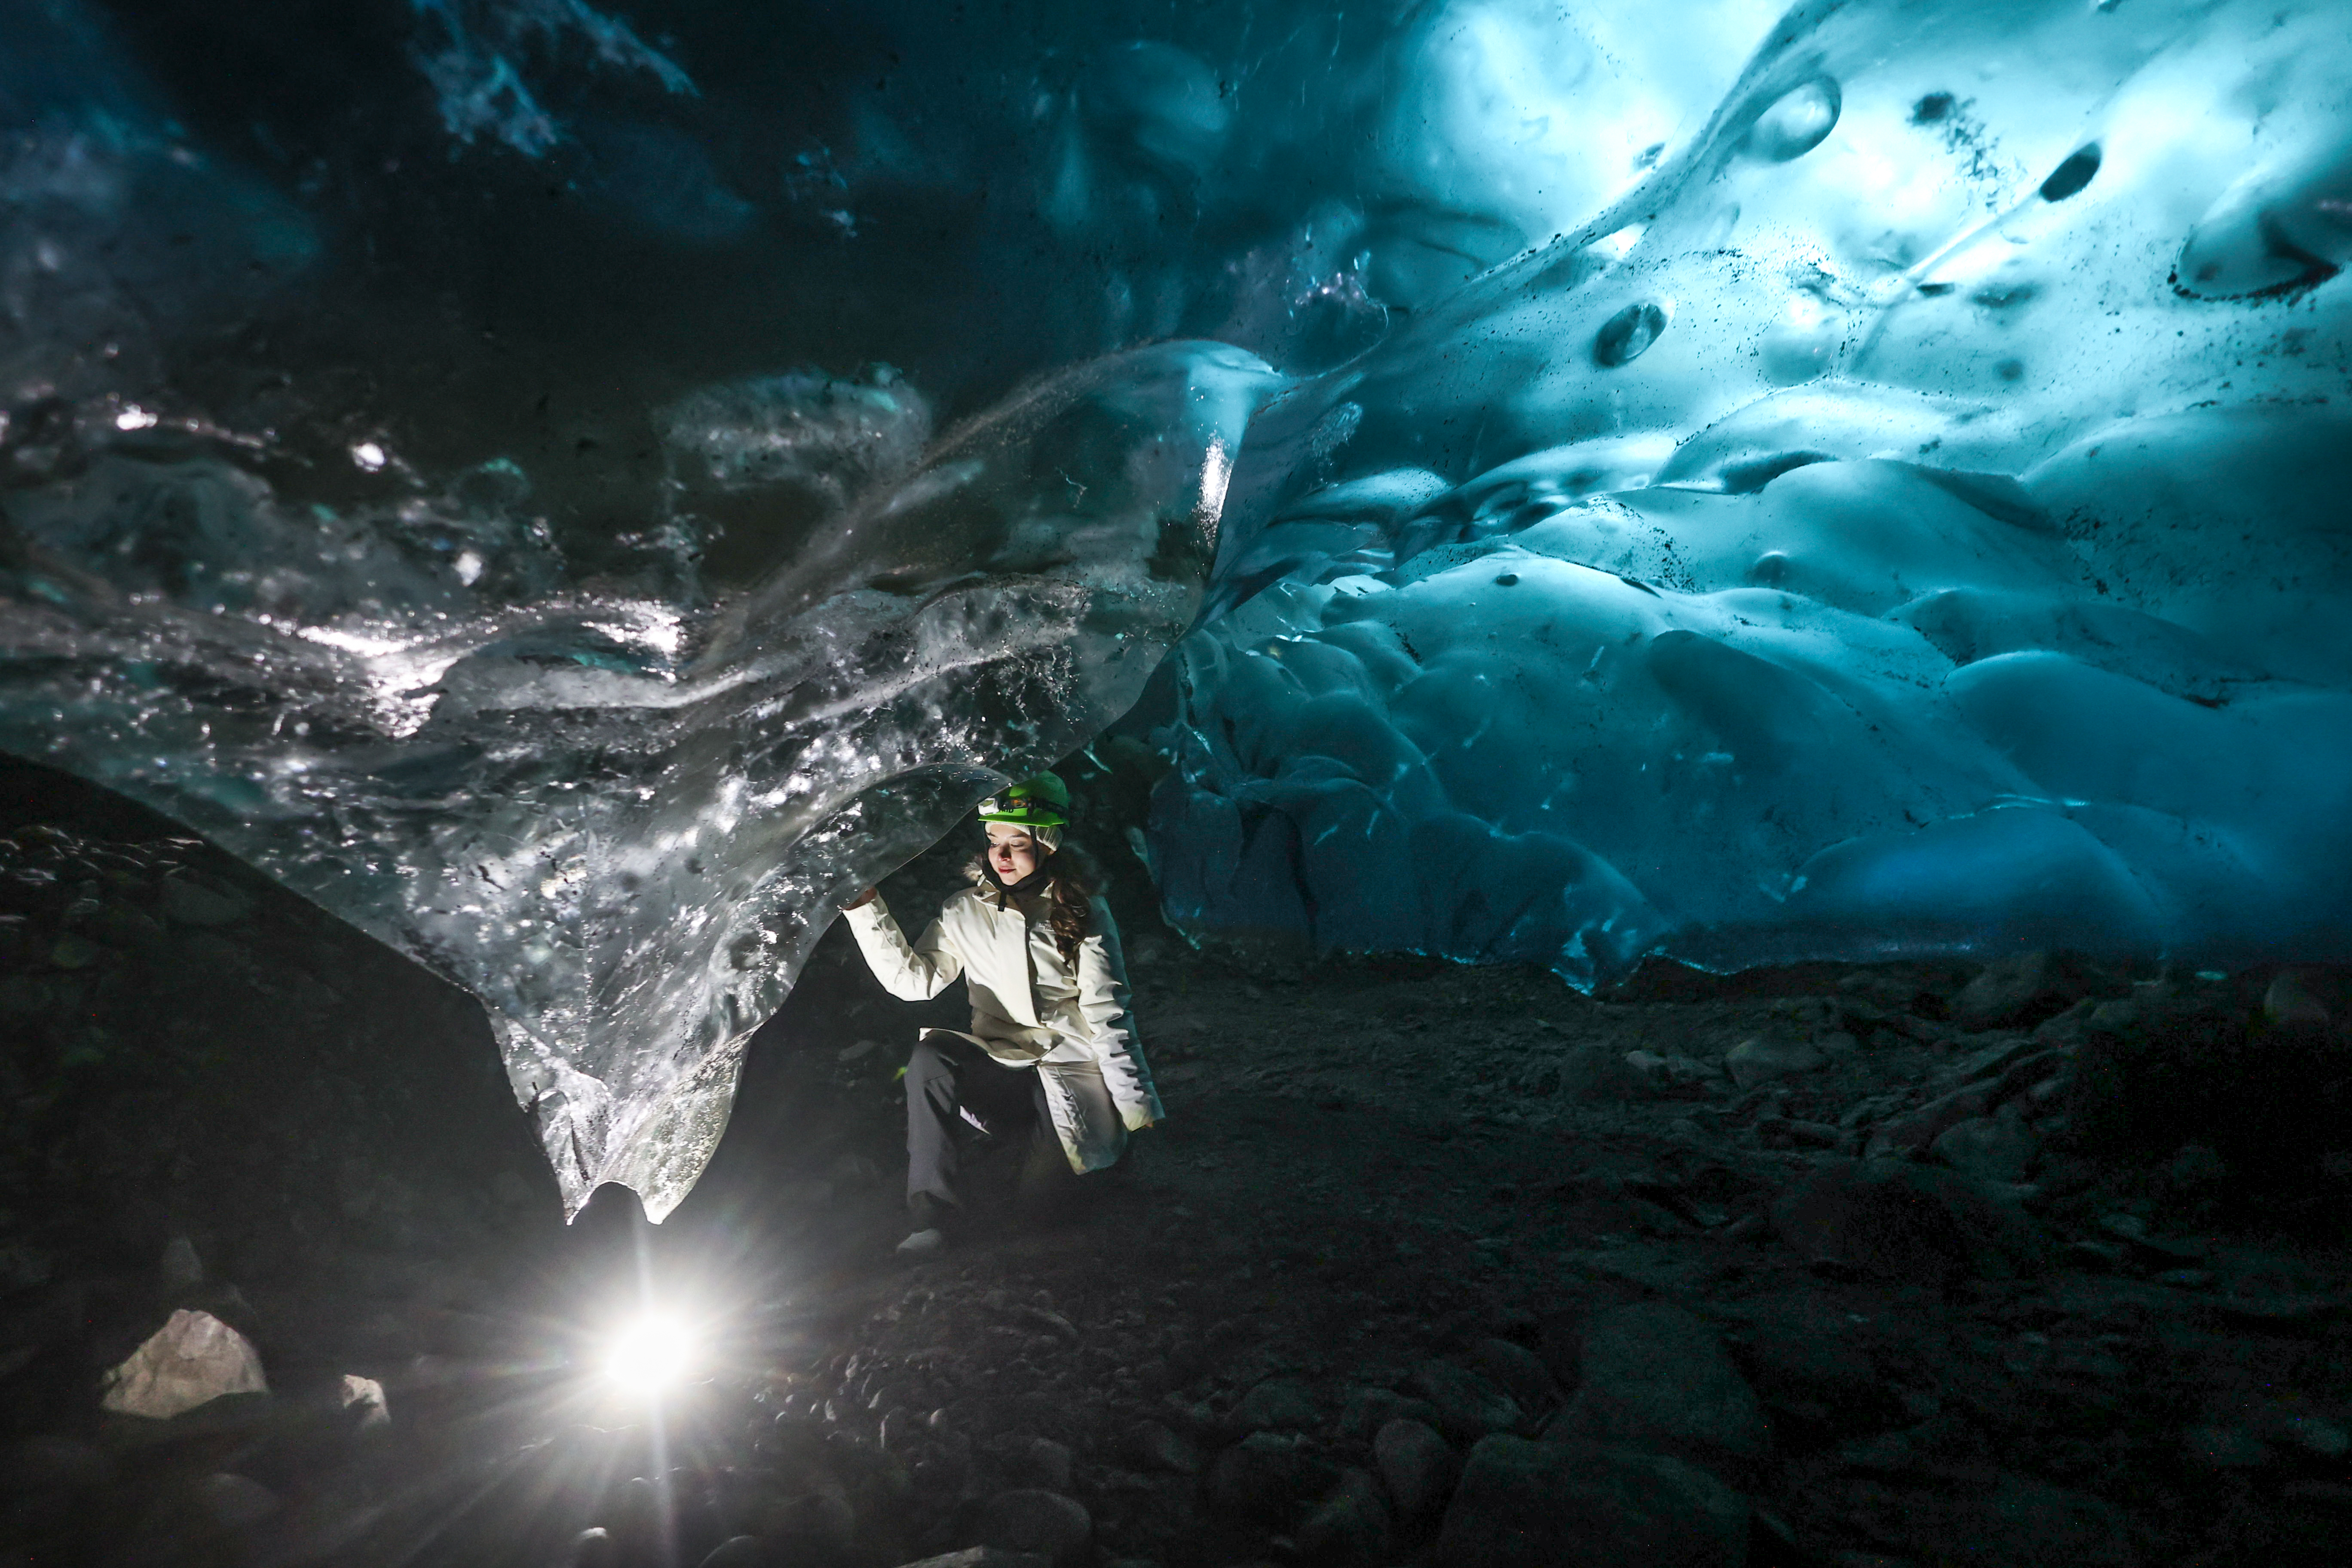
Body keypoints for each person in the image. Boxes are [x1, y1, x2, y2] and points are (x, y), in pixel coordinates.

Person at [839, 772, 1163, 1254]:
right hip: (1003, 1065)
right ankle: (932, 1217)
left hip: (1071, 1071)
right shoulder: (963, 911)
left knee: (1039, 1219)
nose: (1002, 856)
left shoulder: (1083, 912)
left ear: (1049, 844)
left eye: (1018, 843)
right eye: (994, 842)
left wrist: (1137, 1109)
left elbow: (1109, 1014)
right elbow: (914, 982)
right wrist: (866, 909)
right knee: (930, 1058)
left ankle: (1093, 1153)